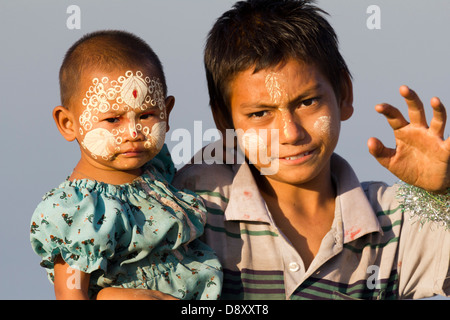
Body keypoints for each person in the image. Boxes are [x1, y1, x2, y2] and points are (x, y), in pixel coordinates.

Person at [173, 0, 450, 299]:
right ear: (224, 121)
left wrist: (444, 192)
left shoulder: (398, 221)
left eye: (307, 103)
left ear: (343, 93)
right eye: (260, 114)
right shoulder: (192, 210)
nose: (291, 133)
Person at [30, 30, 222, 300]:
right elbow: (70, 293)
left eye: (146, 115)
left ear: (167, 112)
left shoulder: (156, 170)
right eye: (113, 120)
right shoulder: (80, 209)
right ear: (68, 124)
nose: (133, 133)